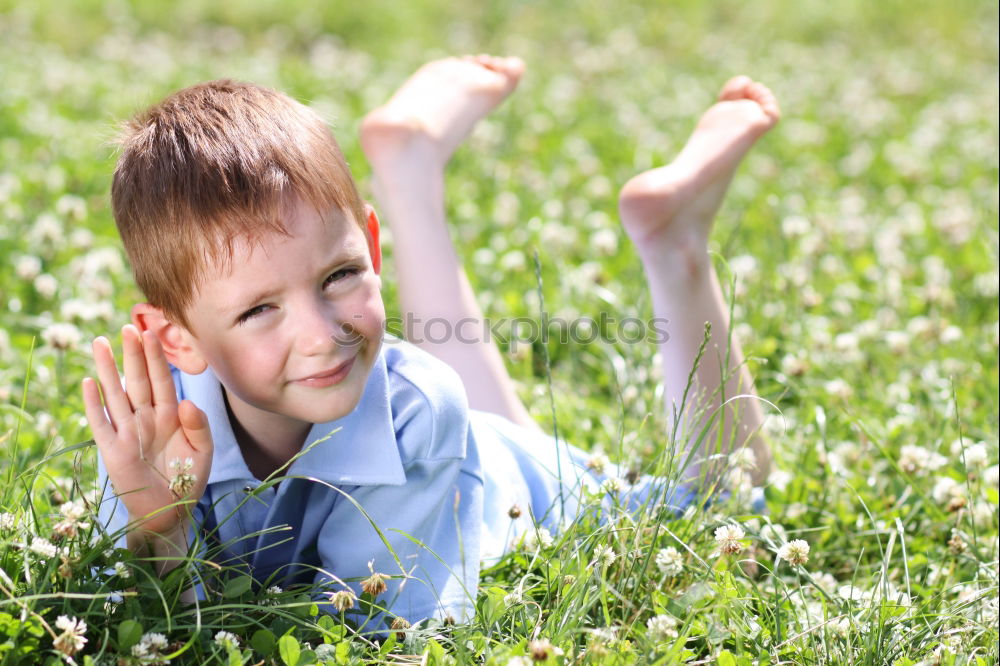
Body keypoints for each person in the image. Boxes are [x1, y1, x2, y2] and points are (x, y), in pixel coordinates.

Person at [86, 55, 779, 631]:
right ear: (176, 341)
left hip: (514, 484)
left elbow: (384, 635)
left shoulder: (419, 410)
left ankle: (676, 243)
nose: (322, 334)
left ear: (372, 248)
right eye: (260, 310)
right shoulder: (152, 434)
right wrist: (161, 531)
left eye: (341, 275)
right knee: (451, 406)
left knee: (723, 512)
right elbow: (142, 628)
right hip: (449, 432)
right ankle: (410, 162)